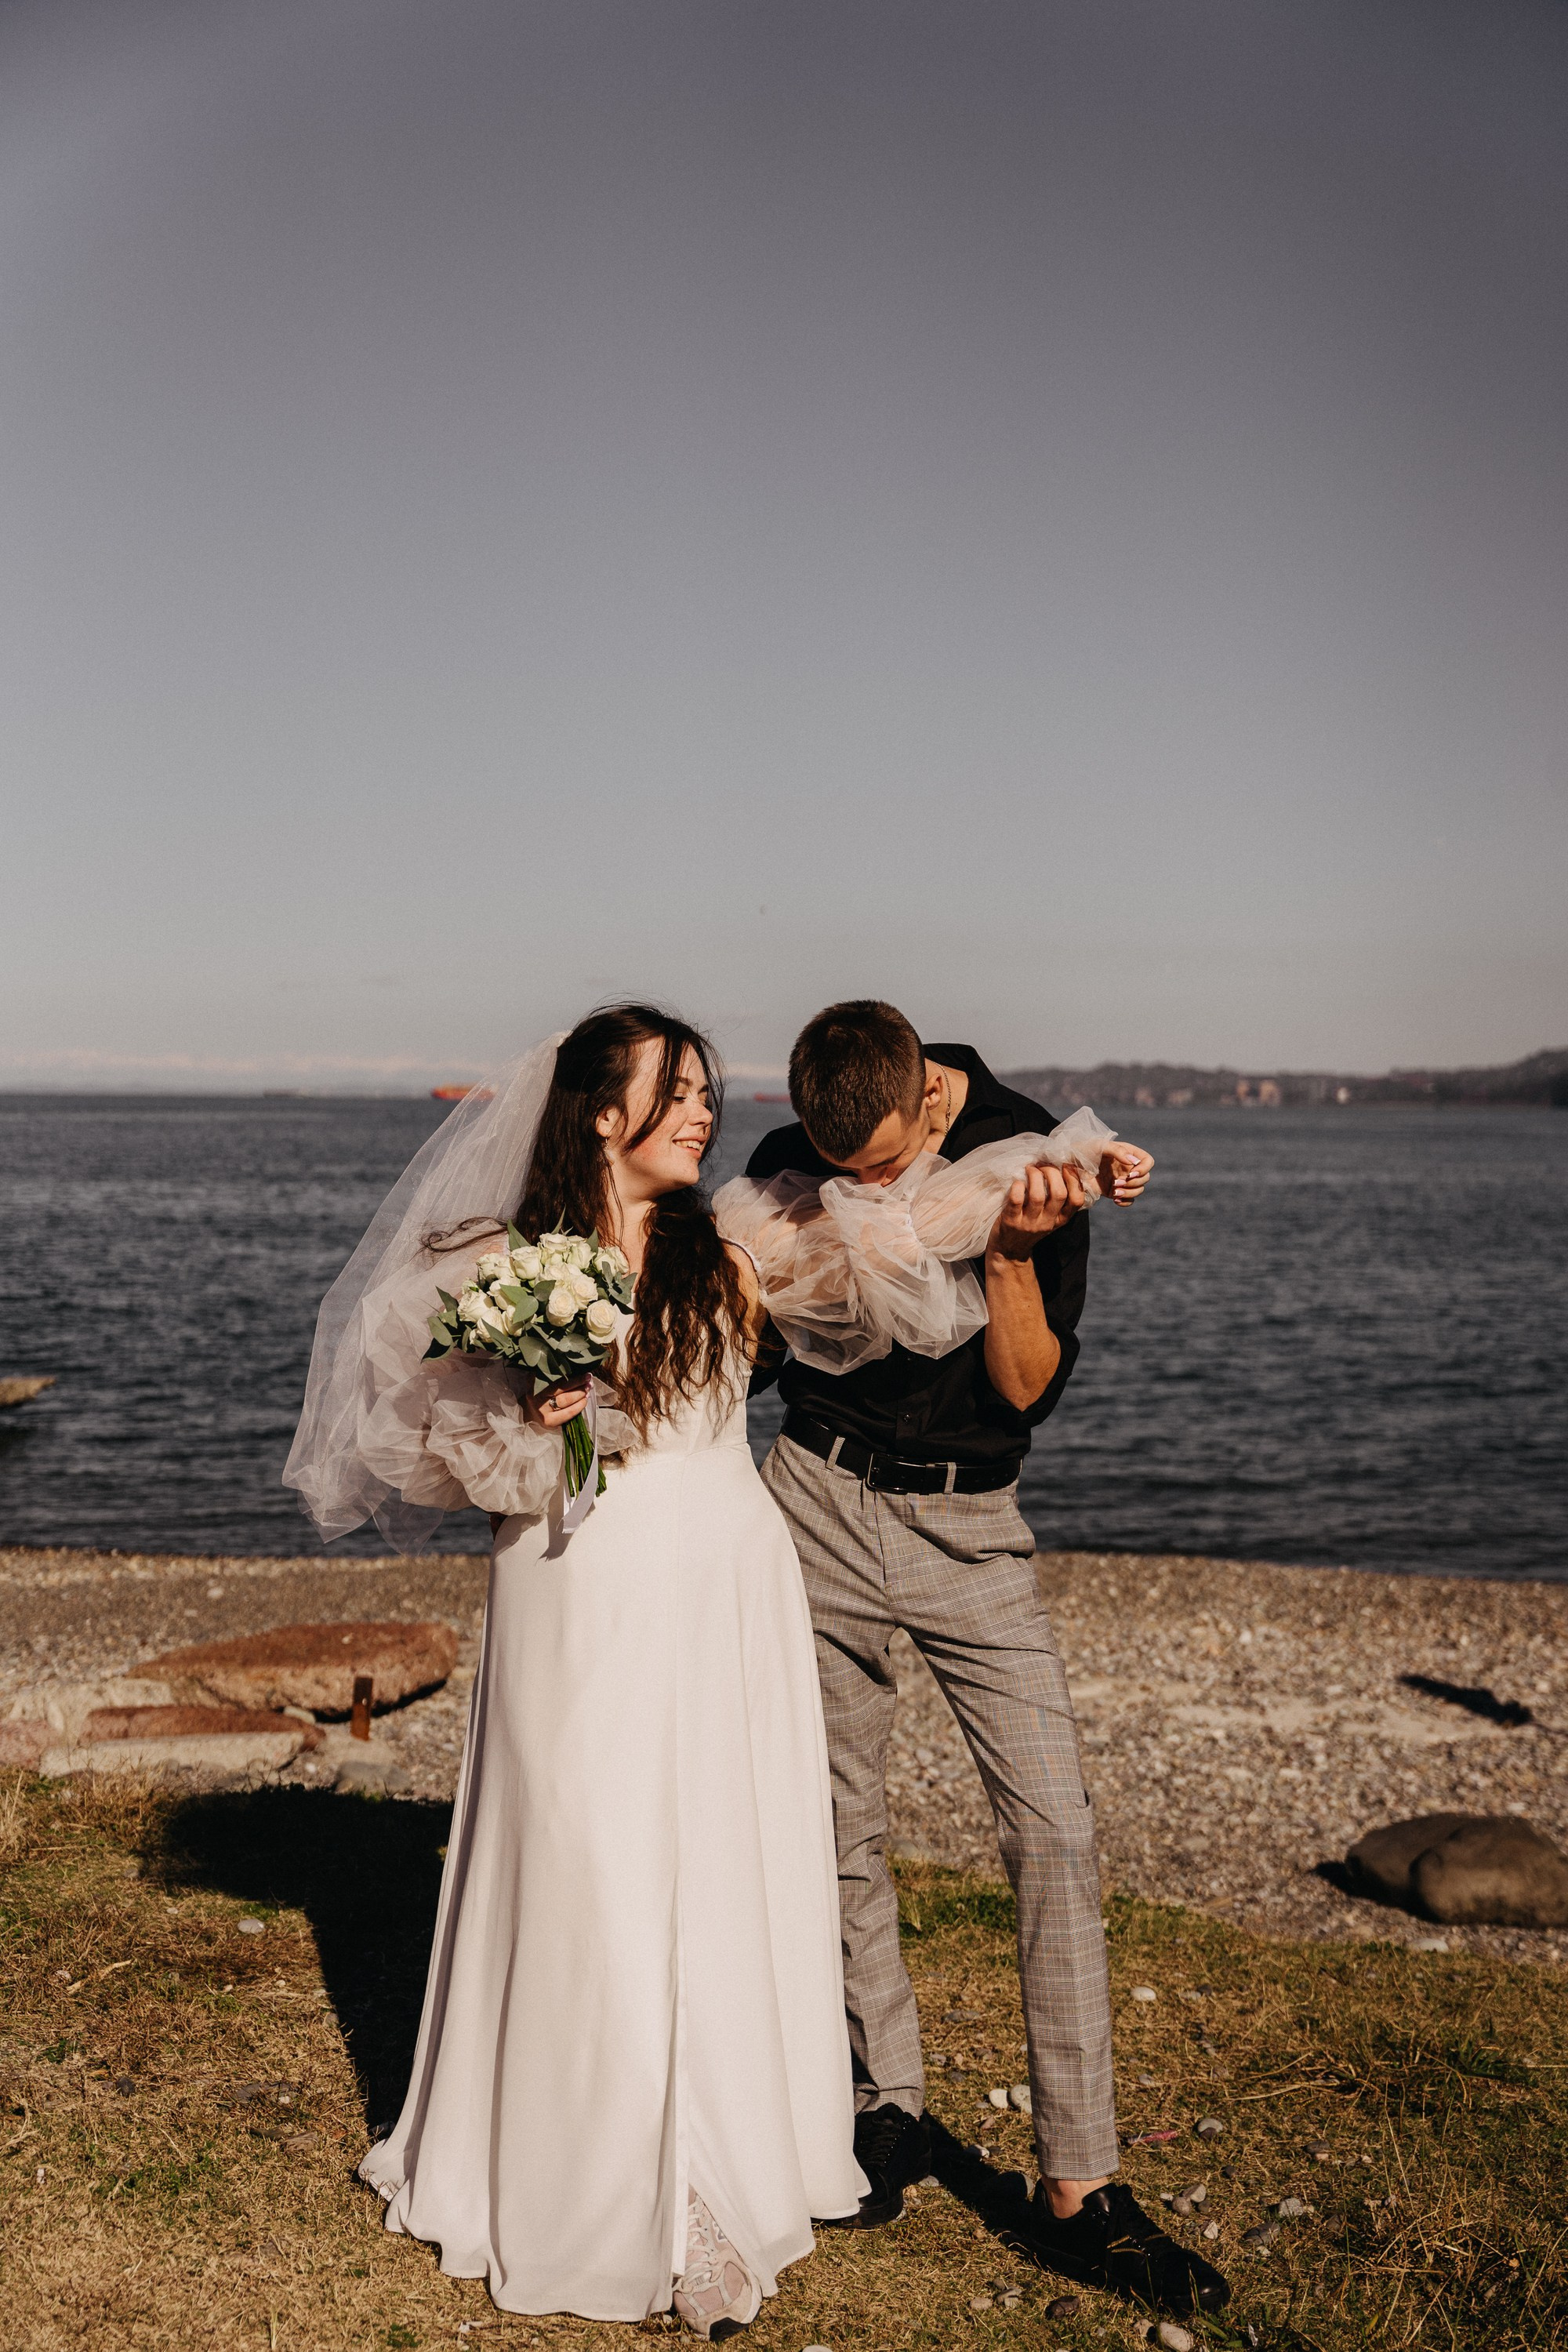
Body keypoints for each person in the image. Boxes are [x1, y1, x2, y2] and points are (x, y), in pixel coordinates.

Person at [283, 1006, 865, 2332]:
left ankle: (715, 2189)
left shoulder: (728, 1244)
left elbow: (909, 1222)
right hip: (580, 1582)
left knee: (719, 1861)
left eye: (711, 1092)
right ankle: (599, 2185)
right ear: (604, 1113)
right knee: (593, 1866)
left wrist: (1045, 1176)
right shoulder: (503, 1267)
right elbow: (441, 1456)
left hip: (727, 1574)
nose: (707, 1113)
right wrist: (535, 1416)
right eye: (680, 1093)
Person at [729, 1000, 1229, 2318]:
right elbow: (759, 1332)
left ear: (931, 1100)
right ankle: (881, 2101)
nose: (867, 1190)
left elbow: (1021, 1388)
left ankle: (1079, 2185)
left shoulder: (1030, 1152)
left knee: (1055, 1829)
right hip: (814, 1497)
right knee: (840, 1813)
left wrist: (1015, 1256)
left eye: (885, 1167)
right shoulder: (805, 1154)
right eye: (847, 1172)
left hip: (969, 1521)